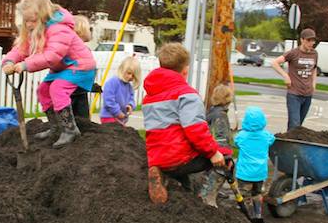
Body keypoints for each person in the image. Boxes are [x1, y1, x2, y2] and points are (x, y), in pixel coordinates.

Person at [2, 0, 96, 147]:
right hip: (62, 68)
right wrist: (9, 61)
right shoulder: (36, 31)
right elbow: (21, 49)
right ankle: (56, 127)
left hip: (79, 65)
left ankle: (70, 130)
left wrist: (25, 65)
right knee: (43, 91)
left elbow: (52, 56)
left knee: (57, 88)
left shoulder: (60, 29)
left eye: (32, 20)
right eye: (26, 21)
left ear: (43, 16)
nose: (29, 25)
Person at [143, 42, 228, 204]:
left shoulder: (149, 97)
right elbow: (196, 130)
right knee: (226, 159)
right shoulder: (187, 95)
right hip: (179, 157)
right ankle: (207, 200)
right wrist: (213, 153)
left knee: (185, 183)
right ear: (185, 70)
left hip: (157, 157)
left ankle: (168, 179)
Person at [233, 106, 276, 220]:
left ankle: (245, 215)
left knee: (244, 194)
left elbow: (235, 143)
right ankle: (258, 214)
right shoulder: (266, 136)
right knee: (257, 193)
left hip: (244, 173)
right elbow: (272, 139)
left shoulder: (242, 136)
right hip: (260, 173)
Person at [271, 28, 318, 130]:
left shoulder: (314, 54)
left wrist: (314, 84)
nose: (311, 43)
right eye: (308, 40)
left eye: (313, 40)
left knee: (299, 126)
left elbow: (314, 69)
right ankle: (290, 139)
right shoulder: (293, 53)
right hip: (294, 94)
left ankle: (290, 138)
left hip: (307, 94)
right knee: (294, 123)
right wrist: (286, 76)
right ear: (302, 40)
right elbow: (274, 63)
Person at [200, 84, 235, 207]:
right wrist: (227, 157)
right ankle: (208, 201)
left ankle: (209, 193)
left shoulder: (212, 111)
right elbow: (221, 138)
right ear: (227, 99)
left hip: (210, 152)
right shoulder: (220, 116)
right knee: (219, 174)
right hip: (218, 156)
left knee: (209, 177)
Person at [100, 57, 141, 125]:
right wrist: (117, 112)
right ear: (122, 70)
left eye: (133, 75)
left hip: (121, 118)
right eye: (129, 73)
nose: (130, 77)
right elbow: (108, 100)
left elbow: (131, 99)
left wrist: (130, 105)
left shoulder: (129, 87)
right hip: (109, 117)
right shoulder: (112, 82)